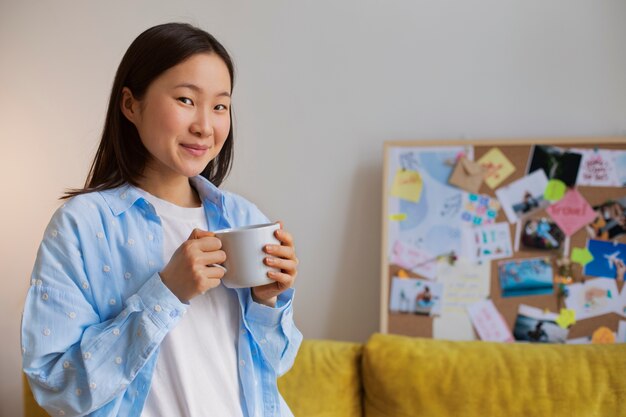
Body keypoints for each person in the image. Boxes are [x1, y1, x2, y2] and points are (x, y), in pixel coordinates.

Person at [21, 23, 302, 417]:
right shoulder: (82, 226)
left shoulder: (243, 217)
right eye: (186, 100)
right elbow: (57, 387)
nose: (205, 125)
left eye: (220, 106)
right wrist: (166, 293)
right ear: (130, 105)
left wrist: (268, 300)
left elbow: (275, 365)